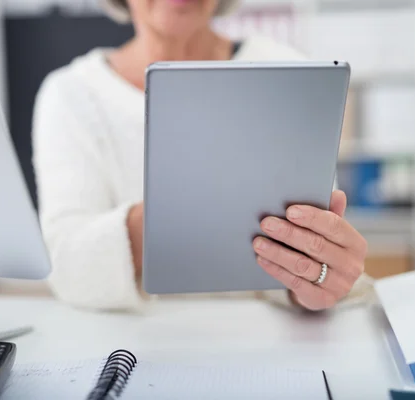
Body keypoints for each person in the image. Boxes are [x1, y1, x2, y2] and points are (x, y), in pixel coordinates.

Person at [32, 0, 374, 312]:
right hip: (130, 349)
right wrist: (183, 210)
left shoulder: (291, 72)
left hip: (267, 344)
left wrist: (318, 278)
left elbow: (311, 254)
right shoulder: (71, 94)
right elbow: (65, 265)